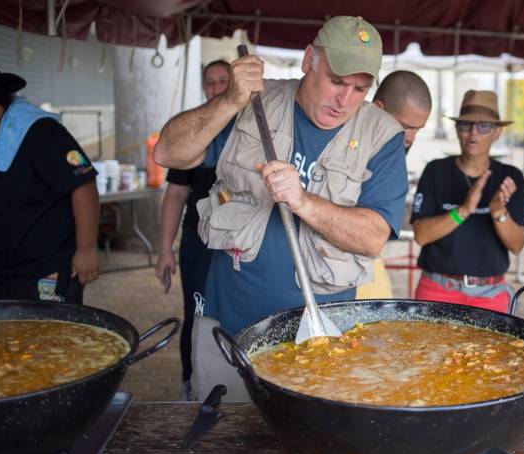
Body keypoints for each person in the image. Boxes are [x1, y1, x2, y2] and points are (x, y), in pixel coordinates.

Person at [153, 16, 407, 400]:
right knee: (222, 447)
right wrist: (228, 100)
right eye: (337, 81)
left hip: (320, 341)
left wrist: (303, 201)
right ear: (309, 61)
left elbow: (373, 238)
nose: (345, 100)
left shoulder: (381, 136)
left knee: (304, 452)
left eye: (360, 88)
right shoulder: (252, 106)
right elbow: (167, 151)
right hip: (230, 330)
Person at [410, 90, 524, 313]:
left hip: (490, 292)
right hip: (438, 288)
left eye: (484, 126)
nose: (473, 132)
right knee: (428, 349)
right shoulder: (436, 171)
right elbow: (421, 235)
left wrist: (498, 212)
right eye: (465, 125)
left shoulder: (510, 177)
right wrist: (464, 210)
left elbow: (517, 245)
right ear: (457, 130)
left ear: (497, 132)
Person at [155, 60, 230, 401]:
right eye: (210, 83)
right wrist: (165, 250)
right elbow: (174, 196)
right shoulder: (192, 131)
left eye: (222, 81)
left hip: (239, 243)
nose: (215, 88)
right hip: (198, 242)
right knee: (197, 314)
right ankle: (191, 383)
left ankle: (238, 383)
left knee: (236, 312)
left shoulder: (252, 127)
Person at [0, 66, 99, 304]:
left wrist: (86, 249)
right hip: (5, 272)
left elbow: (83, 183)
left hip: (45, 271)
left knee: (51, 338)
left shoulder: (42, 132)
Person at [357, 70, 431, 299]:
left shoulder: (393, 151)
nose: (411, 138)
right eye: (406, 126)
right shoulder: (346, 142)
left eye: (418, 129)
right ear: (378, 109)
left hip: (371, 275)